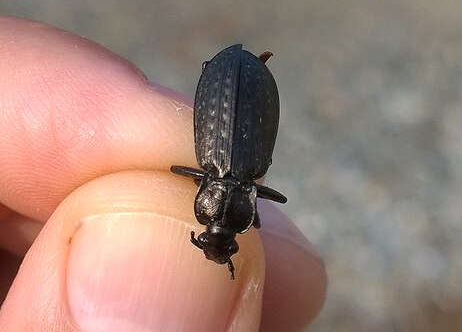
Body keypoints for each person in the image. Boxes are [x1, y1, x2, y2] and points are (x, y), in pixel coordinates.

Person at [0, 17, 326, 332]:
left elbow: (181, 172)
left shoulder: (239, 177)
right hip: (238, 84)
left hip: (227, 81)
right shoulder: (222, 174)